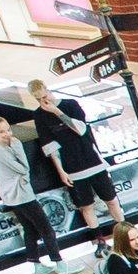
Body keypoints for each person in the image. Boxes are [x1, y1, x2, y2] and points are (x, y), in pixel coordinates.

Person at [0, 114, 75, 274]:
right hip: (21, 196)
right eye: (2, 132)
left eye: (8, 130)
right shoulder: (1, 149)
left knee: (30, 230)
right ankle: (58, 262)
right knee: (47, 229)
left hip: (13, 196)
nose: (7, 134)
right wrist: (16, 146)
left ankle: (37, 265)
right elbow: (23, 168)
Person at [25, 88, 121, 249]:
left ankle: (126, 234)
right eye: (38, 99)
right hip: (72, 168)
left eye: (44, 96)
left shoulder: (70, 105)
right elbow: (50, 146)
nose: (44, 101)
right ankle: (99, 241)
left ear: (49, 91)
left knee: (111, 200)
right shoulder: (39, 115)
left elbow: (80, 129)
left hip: (93, 161)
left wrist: (57, 111)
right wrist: (61, 171)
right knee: (86, 206)